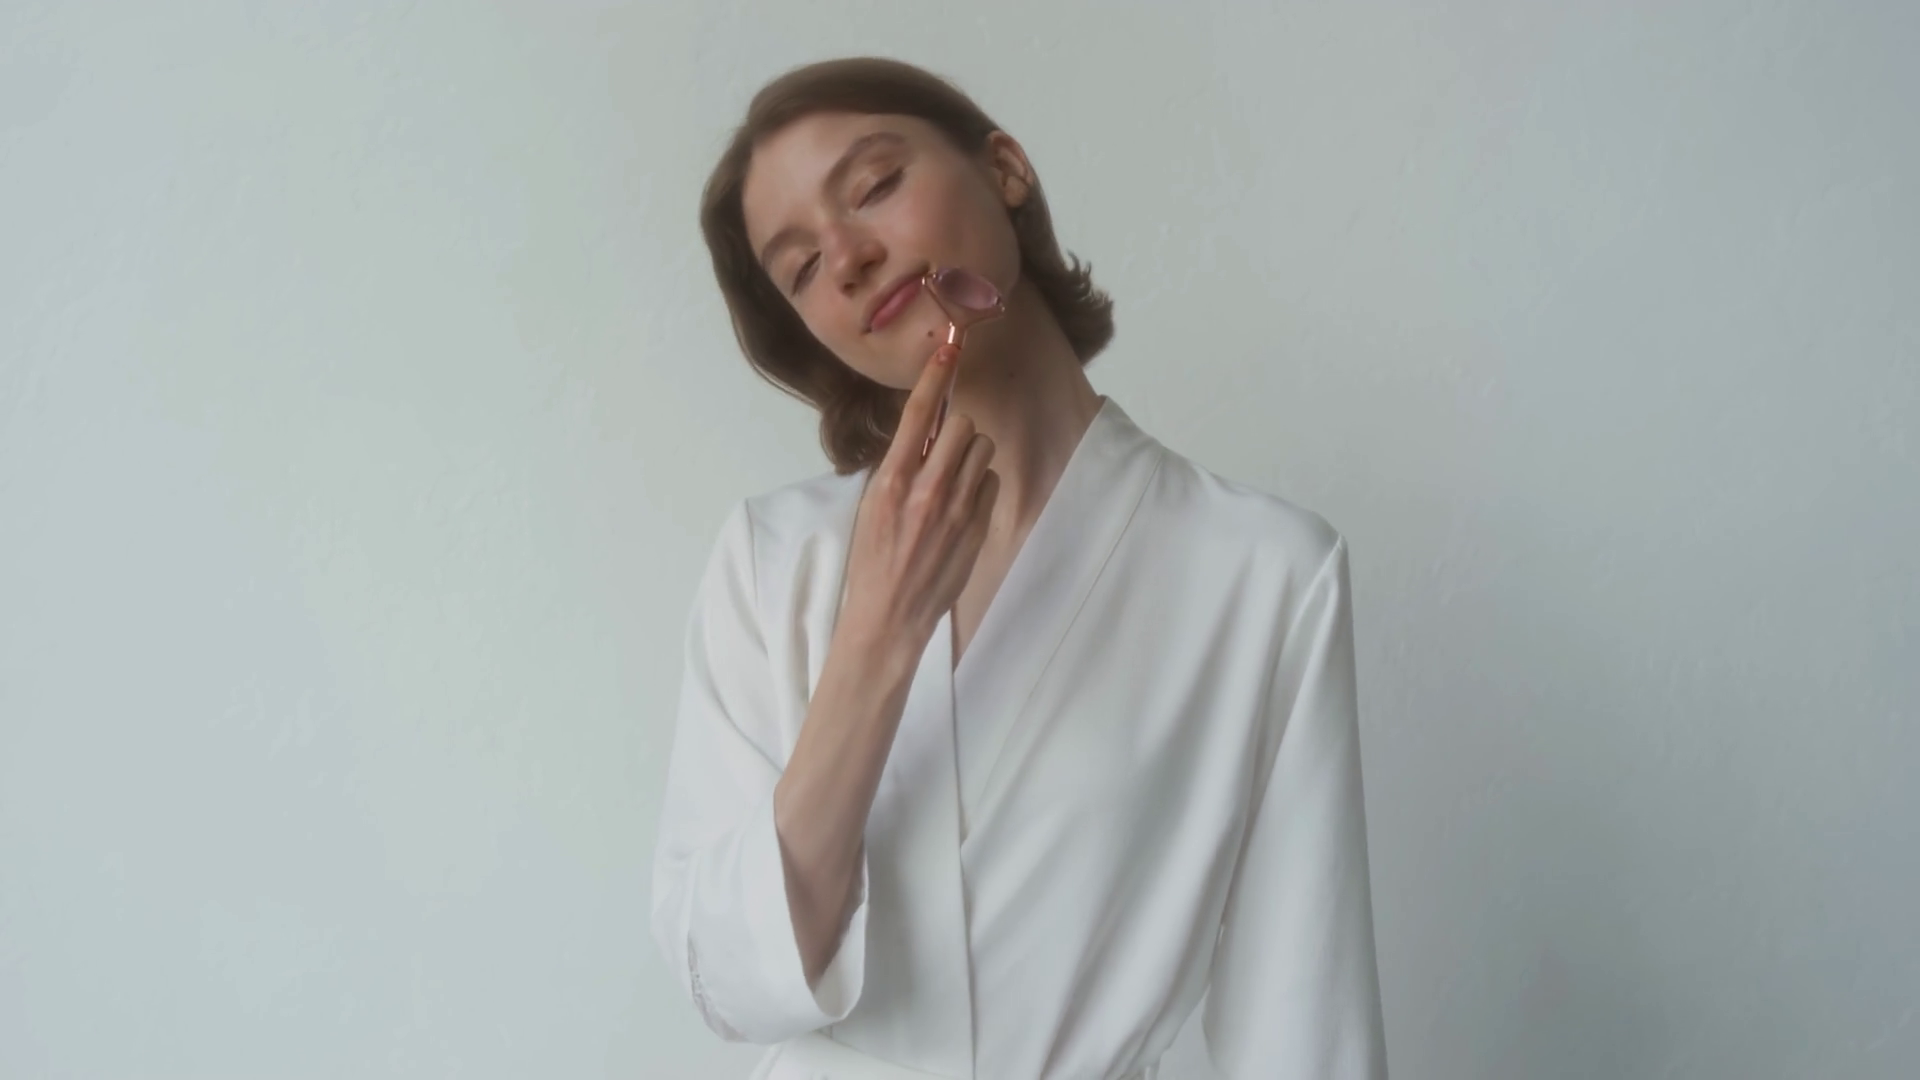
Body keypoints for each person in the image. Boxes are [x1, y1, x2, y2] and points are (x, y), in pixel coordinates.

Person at [650, 56, 1389, 1080]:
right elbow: (728, 982)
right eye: (803, 267)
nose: (849, 258)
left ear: (1005, 169)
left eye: (874, 185)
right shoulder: (771, 562)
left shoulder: (1265, 576)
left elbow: (1301, 1027)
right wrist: (875, 641)